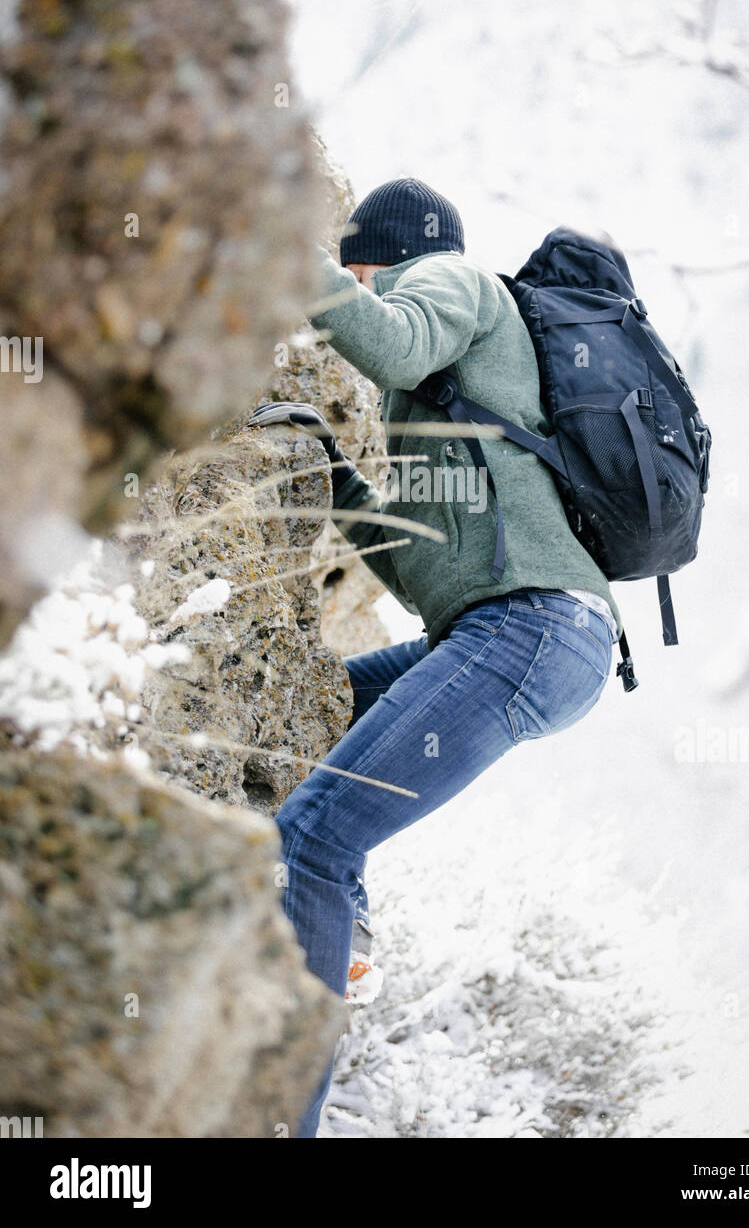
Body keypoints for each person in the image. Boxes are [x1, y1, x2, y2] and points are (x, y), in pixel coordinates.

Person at [248, 177, 622, 1137]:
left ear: (380, 257)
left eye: (357, 273)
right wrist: (334, 468)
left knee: (312, 839)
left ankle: (284, 1122)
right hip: (500, 632)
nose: (357, 293)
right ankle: (347, 929)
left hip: (533, 628)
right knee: (308, 705)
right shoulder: (443, 397)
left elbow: (394, 334)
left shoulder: (454, 283)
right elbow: (422, 563)